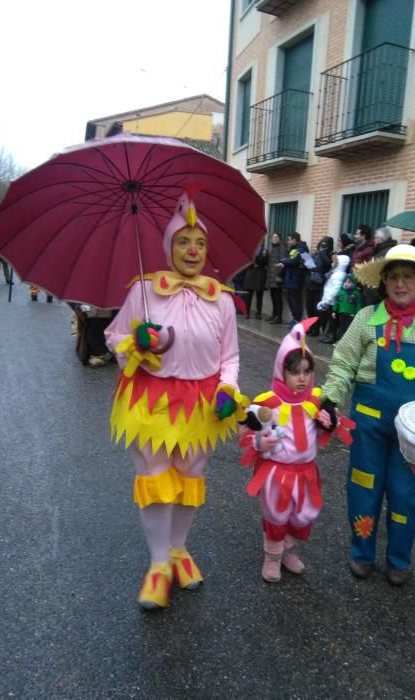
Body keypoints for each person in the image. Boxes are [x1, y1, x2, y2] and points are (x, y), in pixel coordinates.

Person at [104, 189, 244, 610]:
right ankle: (158, 564)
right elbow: (113, 337)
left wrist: (228, 389)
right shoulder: (144, 292)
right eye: (183, 241)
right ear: (168, 247)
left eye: (200, 242)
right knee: (156, 483)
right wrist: (136, 342)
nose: (193, 249)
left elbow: (231, 356)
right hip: (151, 402)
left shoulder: (221, 299)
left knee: (188, 481)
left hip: (202, 403)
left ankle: (180, 550)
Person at [320, 244, 415, 586]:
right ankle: (361, 553)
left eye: (408, 277)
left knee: (404, 494)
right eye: (393, 278)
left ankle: (399, 559)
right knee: (364, 488)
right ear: (384, 281)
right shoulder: (367, 318)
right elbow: (343, 363)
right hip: (369, 423)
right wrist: (330, 399)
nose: (400, 285)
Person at [239, 319, 331, 583]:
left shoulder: (314, 400)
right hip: (277, 473)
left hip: (306, 472)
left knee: (304, 515)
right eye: (294, 372)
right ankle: (272, 556)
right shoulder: (268, 403)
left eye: (307, 371)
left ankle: (288, 550)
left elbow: (321, 434)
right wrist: (259, 442)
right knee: (277, 515)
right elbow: (245, 434)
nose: (302, 378)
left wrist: (327, 426)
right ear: (281, 371)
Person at [316, 253, 350, 344]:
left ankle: (332, 336)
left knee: (332, 320)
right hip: (330, 301)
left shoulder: (338, 275)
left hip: (332, 302)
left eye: (334, 262)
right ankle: (329, 334)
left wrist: (327, 301)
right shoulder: (337, 274)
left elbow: (335, 289)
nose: (332, 264)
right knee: (331, 319)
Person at [277, 232, 309, 328]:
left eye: (289, 239)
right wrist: (286, 261)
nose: (288, 241)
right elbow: (290, 259)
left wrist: (283, 260)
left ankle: (297, 320)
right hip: (290, 278)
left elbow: (294, 260)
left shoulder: (302, 249)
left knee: (295, 300)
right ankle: (294, 318)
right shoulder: (293, 249)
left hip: (296, 279)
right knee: (290, 300)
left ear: (294, 240)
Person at [304, 237, 332, 336]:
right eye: (321, 243)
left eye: (324, 244)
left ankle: (316, 329)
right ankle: (311, 327)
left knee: (316, 309)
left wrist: (323, 252)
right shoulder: (315, 254)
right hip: (309, 283)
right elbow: (309, 265)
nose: (322, 246)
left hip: (319, 286)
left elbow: (328, 264)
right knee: (309, 307)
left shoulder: (328, 255)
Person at [362, 226, 396, 306]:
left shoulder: (387, 252)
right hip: (373, 291)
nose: (374, 240)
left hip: (376, 292)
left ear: (381, 239)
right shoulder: (380, 250)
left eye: (375, 238)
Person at [330, 273, 362, 341]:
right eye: (345, 281)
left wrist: (358, 314)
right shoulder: (341, 292)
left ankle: (348, 342)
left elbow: (358, 305)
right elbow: (336, 302)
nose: (346, 283)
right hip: (342, 313)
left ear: (354, 283)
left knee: (349, 328)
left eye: (349, 282)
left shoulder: (356, 293)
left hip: (351, 314)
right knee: (342, 327)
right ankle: (341, 341)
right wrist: (334, 311)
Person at [244, 240, 268, 319]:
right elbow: (247, 261)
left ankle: (258, 313)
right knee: (249, 295)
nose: (260, 243)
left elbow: (266, 262)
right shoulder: (251, 249)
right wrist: (254, 256)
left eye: (262, 241)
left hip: (260, 274)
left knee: (259, 296)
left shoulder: (265, 251)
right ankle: (247, 312)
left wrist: (262, 256)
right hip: (251, 274)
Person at [265, 232, 286, 324]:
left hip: (277, 278)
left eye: (276, 237)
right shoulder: (273, 248)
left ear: (280, 239)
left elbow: (282, 263)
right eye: (273, 237)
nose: (274, 238)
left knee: (277, 299)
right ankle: (274, 314)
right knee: (273, 297)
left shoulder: (282, 248)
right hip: (272, 277)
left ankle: (279, 317)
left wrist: (279, 275)